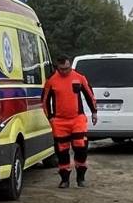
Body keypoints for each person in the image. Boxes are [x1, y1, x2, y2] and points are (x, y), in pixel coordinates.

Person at [42, 55, 98, 189]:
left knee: (81, 147)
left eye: (67, 68)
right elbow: (44, 101)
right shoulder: (51, 80)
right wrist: (50, 117)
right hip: (60, 121)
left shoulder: (79, 77)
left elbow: (89, 94)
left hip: (78, 119)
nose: (65, 71)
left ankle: (81, 178)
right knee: (62, 151)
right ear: (57, 67)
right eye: (62, 69)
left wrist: (94, 111)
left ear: (70, 65)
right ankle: (64, 180)